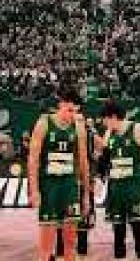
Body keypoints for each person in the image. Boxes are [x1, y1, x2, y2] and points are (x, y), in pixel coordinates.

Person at [28, 87, 92, 261]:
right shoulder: (44, 123)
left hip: (69, 186)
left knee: (70, 243)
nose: (72, 115)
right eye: (69, 110)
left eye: (75, 111)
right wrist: (34, 190)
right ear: (60, 105)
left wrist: (86, 194)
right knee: (46, 246)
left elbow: (83, 162)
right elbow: (33, 160)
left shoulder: (78, 127)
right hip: (49, 186)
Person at [100, 99, 140, 259]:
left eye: (105, 119)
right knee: (118, 231)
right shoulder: (109, 134)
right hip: (115, 186)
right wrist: (100, 179)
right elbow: (104, 161)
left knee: (137, 227)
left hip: (133, 184)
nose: (103, 123)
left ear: (113, 117)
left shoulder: (137, 129)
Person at [53, 112, 102, 261]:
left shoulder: (89, 135)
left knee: (82, 225)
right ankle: (61, 256)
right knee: (62, 224)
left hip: (82, 184)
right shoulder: (59, 135)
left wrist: (97, 176)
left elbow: (101, 149)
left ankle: (80, 257)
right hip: (65, 184)